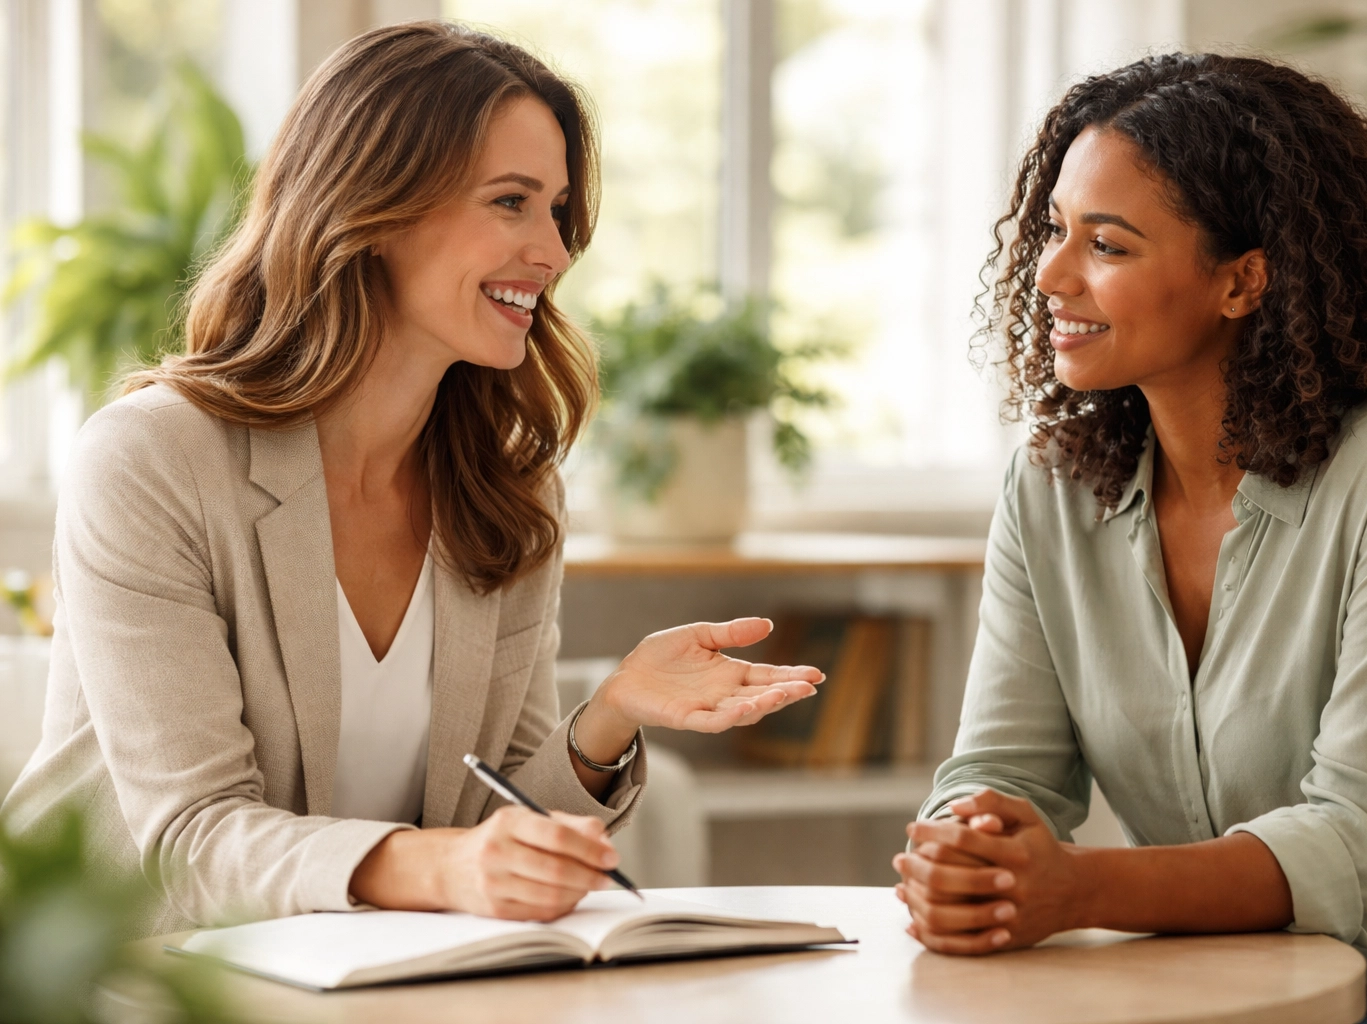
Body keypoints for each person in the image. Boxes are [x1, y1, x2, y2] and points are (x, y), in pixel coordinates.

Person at [0, 21, 823, 937]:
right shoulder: (152, 460)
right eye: (511, 201)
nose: (552, 252)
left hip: (364, 977)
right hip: (130, 971)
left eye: (556, 210)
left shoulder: (507, 489)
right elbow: (189, 839)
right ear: (375, 209)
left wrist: (611, 714)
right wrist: (439, 863)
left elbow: (490, 826)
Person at [894, 52, 1367, 1021]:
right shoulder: (1051, 487)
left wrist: (1075, 887)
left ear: (1242, 283)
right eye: (1055, 229)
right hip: (1216, 984)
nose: (1051, 274)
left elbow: (1366, 841)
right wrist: (970, 849)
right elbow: (1002, 770)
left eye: (1106, 245)